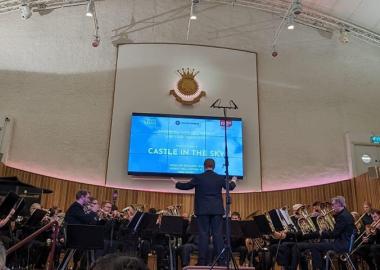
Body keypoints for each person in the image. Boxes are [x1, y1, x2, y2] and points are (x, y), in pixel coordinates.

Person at [172, 158, 237, 266]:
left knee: (203, 235)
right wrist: (234, 180)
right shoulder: (220, 177)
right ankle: (221, 262)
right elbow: (230, 187)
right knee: (217, 235)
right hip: (216, 210)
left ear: (204, 166)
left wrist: (176, 183)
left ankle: (202, 262)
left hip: (202, 210)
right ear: (214, 166)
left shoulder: (199, 177)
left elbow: (187, 186)